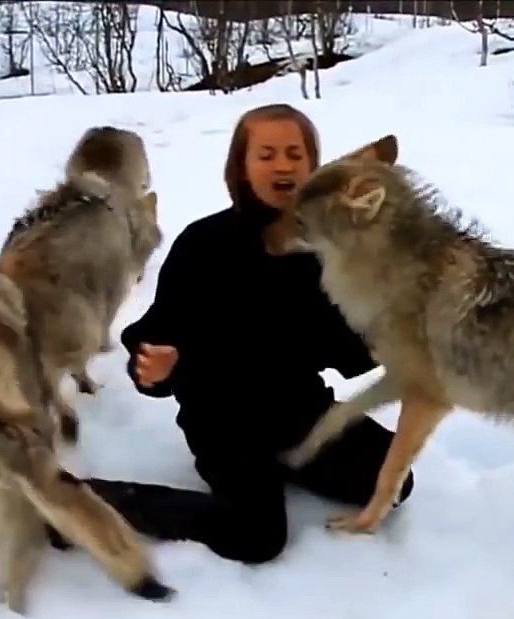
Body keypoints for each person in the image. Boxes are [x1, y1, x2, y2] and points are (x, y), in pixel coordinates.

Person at [49, 103, 414, 564]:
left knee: (395, 481)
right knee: (256, 536)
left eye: (294, 154)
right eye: (265, 154)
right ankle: (82, 502)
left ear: (312, 166)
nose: (282, 164)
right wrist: (158, 365)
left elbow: (344, 350)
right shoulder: (203, 246)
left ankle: (289, 462)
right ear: (241, 167)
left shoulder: (327, 252)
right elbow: (154, 339)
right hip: (224, 420)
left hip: (300, 409)